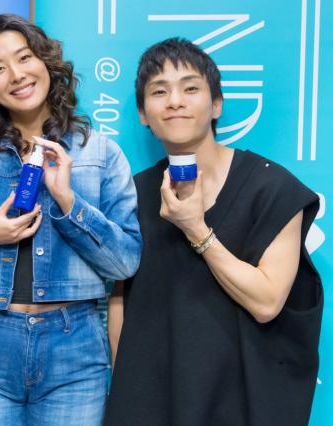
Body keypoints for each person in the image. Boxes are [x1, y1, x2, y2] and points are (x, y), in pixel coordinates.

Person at [0, 14, 142, 426]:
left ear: (46, 63)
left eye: (24, 57)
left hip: (74, 349)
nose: (16, 75)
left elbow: (125, 263)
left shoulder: (100, 154)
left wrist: (68, 202)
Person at [105, 38, 322, 426]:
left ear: (216, 104)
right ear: (143, 113)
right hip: (153, 402)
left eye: (190, 88)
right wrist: (128, 390)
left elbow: (267, 302)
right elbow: (120, 302)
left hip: (242, 401)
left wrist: (196, 229)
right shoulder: (131, 194)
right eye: (159, 91)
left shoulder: (273, 189)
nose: (175, 101)